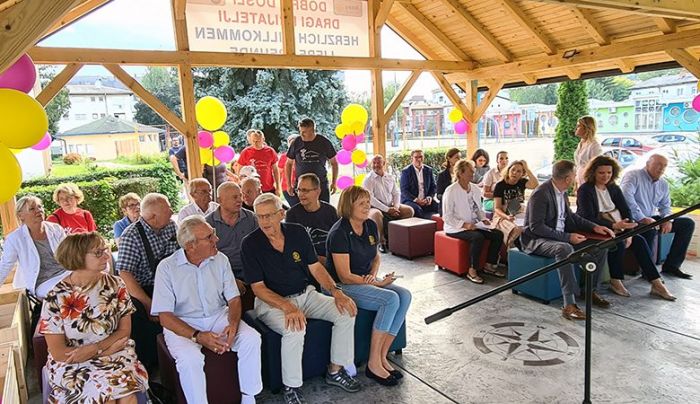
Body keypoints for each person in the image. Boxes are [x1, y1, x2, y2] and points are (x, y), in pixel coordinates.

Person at [241, 194, 360, 404]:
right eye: (260, 217)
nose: (265, 222)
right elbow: (258, 288)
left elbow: (315, 268)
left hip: (306, 294)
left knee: (346, 311)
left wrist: (336, 291)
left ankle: (335, 370)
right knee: (295, 328)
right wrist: (287, 306)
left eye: (269, 216)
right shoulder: (250, 244)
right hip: (272, 303)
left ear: (281, 214)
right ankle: (292, 387)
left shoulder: (297, 232)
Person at [152, 216, 262, 404]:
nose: (216, 240)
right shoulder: (167, 268)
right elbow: (165, 317)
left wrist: (233, 324)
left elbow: (234, 299)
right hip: (182, 322)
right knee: (190, 360)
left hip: (217, 316)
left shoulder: (220, 259)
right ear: (190, 245)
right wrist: (197, 336)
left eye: (214, 234)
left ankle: (248, 397)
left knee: (251, 339)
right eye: (209, 237)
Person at [40, 232, 148, 403]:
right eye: (98, 252)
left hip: (116, 355)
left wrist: (97, 349)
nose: (107, 255)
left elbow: (124, 331)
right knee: (106, 399)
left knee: (128, 398)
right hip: (72, 363)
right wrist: (101, 352)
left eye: (105, 249)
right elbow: (58, 352)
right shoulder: (56, 296)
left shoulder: (116, 285)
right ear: (78, 257)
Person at [326, 186, 412, 386]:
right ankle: (373, 364)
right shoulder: (339, 232)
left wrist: (374, 277)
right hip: (340, 286)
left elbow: (376, 257)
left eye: (367, 202)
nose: (367, 207)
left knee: (405, 295)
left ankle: (382, 356)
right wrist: (378, 284)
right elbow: (344, 276)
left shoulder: (370, 226)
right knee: (390, 299)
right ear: (349, 206)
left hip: (364, 281)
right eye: (361, 203)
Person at [520, 160, 615, 321]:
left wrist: (595, 227)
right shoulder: (541, 193)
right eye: (574, 175)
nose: (576, 178)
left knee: (601, 246)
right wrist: (568, 237)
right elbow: (536, 227)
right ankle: (569, 304)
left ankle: (589, 291)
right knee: (564, 248)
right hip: (537, 240)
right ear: (568, 178)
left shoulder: (562, 192)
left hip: (559, 236)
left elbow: (570, 217)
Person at [577, 156, 676, 300]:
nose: (606, 176)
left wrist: (629, 233)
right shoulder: (585, 190)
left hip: (618, 227)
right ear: (593, 173)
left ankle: (656, 282)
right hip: (596, 229)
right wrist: (613, 226)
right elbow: (586, 217)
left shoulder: (613, 188)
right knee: (618, 243)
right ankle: (615, 280)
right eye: (601, 173)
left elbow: (626, 211)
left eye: (609, 173)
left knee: (639, 240)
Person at [116, 193, 178, 369]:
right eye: (167, 210)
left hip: (169, 283)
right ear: (152, 217)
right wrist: (148, 303)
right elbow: (125, 274)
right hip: (143, 287)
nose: (172, 211)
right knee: (137, 313)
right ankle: (149, 364)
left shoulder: (171, 226)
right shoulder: (131, 235)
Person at [621, 154, 695, 279]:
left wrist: (668, 220)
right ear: (648, 164)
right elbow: (627, 199)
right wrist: (642, 217)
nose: (661, 168)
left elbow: (666, 206)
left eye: (664, 166)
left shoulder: (663, 184)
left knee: (687, 223)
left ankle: (672, 266)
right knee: (649, 228)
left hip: (652, 218)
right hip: (634, 219)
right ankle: (649, 273)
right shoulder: (633, 176)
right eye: (658, 164)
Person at [442, 159, 505, 283]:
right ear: (460, 173)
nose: (473, 173)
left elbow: (478, 209)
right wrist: (464, 225)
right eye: (470, 171)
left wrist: (483, 219)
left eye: (473, 171)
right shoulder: (451, 190)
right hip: (455, 227)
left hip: (474, 224)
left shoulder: (475, 189)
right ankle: (472, 271)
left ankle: (489, 265)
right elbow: (447, 217)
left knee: (498, 234)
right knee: (477, 237)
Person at [0, 196, 68, 299]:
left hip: (66, 274)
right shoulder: (14, 238)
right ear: (21, 215)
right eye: (32, 209)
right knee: (66, 293)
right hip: (43, 282)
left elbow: (70, 254)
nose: (39, 210)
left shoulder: (56, 229)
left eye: (40, 207)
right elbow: (5, 265)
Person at [205, 182, 258, 304]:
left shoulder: (251, 218)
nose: (240, 200)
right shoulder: (208, 223)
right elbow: (206, 260)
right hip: (221, 274)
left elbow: (261, 248)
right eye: (235, 197)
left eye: (240, 196)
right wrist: (230, 280)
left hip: (250, 271)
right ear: (220, 200)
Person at [362, 155, 414, 253]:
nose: (376, 165)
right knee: (377, 214)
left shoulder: (390, 177)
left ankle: (397, 238)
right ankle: (382, 242)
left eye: (379, 163)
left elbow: (396, 193)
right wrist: (387, 209)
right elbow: (370, 199)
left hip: (391, 206)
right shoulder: (368, 179)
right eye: (374, 163)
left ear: (384, 164)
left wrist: (396, 207)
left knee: (409, 210)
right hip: (373, 208)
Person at [285, 173, 339, 266]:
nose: (301, 194)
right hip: (305, 264)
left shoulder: (331, 212)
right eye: (299, 190)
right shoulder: (292, 215)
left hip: (331, 262)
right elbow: (292, 247)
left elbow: (338, 241)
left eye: (305, 190)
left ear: (318, 191)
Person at [285, 118, 339, 203]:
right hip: (302, 186)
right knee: (302, 212)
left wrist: (334, 182)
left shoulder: (324, 142)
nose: (301, 134)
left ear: (312, 130)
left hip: (321, 184)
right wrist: (288, 184)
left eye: (304, 132)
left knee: (323, 210)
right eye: (300, 131)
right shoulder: (296, 142)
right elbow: (288, 163)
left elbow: (334, 163)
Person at [492, 160, 539, 248]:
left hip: (518, 213)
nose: (515, 173)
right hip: (502, 216)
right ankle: (511, 251)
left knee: (533, 225)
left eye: (519, 171)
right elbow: (497, 208)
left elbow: (535, 185)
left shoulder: (522, 182)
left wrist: (527, 169)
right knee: (516, 229)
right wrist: (507, 217)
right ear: (508, 170)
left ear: (522, 173)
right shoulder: (500, 185)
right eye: (513, 170)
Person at [236, 129, 281, 194]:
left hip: (268, 187)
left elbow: (275, 170)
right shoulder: (246, 152)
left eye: (258, 141)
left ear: (263, 139)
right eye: (253, 141)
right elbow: (239, 170)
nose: (255, 143)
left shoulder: (270, 151)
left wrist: (278, 187)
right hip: (252, 189)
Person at [400, 149, 438, 219]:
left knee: (439, 206)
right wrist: (417, 200)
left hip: (426, 200)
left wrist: (429, 197)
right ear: (412, 158)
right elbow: (404, 191)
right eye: (416, 157)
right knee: (418, 209)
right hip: (411, 200)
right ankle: (426, 228)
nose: (419, 159)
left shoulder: (428, 170)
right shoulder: (406, 171)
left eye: (421, 157)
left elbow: (433, 187)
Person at [573, 116, 603, 187]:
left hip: (589, 182)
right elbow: (578, 165)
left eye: (579, 126)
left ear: (586, 128)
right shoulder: (581, 142)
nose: (576, 128)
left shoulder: (594, 145)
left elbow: (596, 167)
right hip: (580, 180)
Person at [436, 148, 461, 215]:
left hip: (460, 204)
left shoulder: (462, 174)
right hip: (447, 206)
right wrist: (449, 197)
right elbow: (438, 195)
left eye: (460, 157)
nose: (459, 160)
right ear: (449, 158)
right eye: (456, 158)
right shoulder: (442, 175)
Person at [280, 134, 300, 207]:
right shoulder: (284, 157)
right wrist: (277, 186)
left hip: (302, 185)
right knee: (295, 207)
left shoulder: (303, 155)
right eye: (291, 143)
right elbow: (279, 172)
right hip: (287, 186)